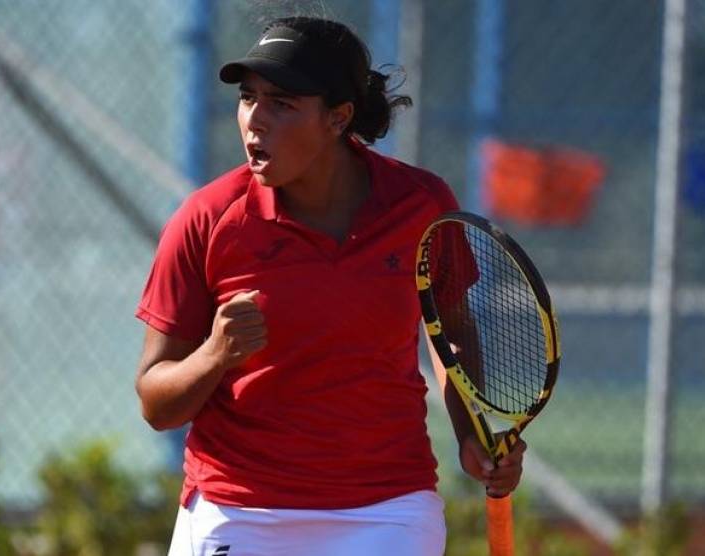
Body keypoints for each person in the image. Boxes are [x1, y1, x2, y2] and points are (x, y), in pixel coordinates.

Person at [134, 16, 526, 555]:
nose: (254, 121)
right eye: (248, 98)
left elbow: (449, 335)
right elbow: (156, 404)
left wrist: (471, 434)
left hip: (387, 508)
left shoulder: (422, 206)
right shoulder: (206, 220)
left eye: (282, 104)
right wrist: (215, 355)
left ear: (339, 118)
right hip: (238, 507)